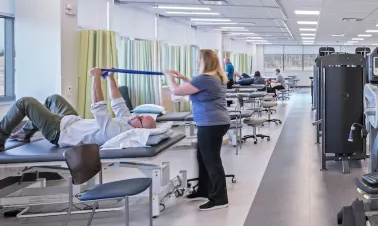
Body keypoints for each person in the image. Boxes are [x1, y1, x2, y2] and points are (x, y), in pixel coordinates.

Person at [0, 68, 155, 151]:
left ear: (139, 129)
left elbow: (99, 106)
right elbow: (118, 102)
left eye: (140, 119)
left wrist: (95, 77)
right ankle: (25, 133)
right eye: (141, 115)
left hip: (60, 132)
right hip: (73, 122)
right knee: (53, 99)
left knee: (25, 102)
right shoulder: (128, 121)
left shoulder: (117, 132)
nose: (137, 115)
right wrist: (111, 78)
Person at [165, 50, 230, 211]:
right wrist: (183, 78)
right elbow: (195, 87)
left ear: (204, 62)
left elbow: (176, 91)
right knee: (202, 157)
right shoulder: (217, 77)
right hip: (215, 122)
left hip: (211, 124)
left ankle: (219, 199)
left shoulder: (205, 79)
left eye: (198, 60)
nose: (196, 62)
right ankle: (204, 190)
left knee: (212, 161)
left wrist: (169, 76)